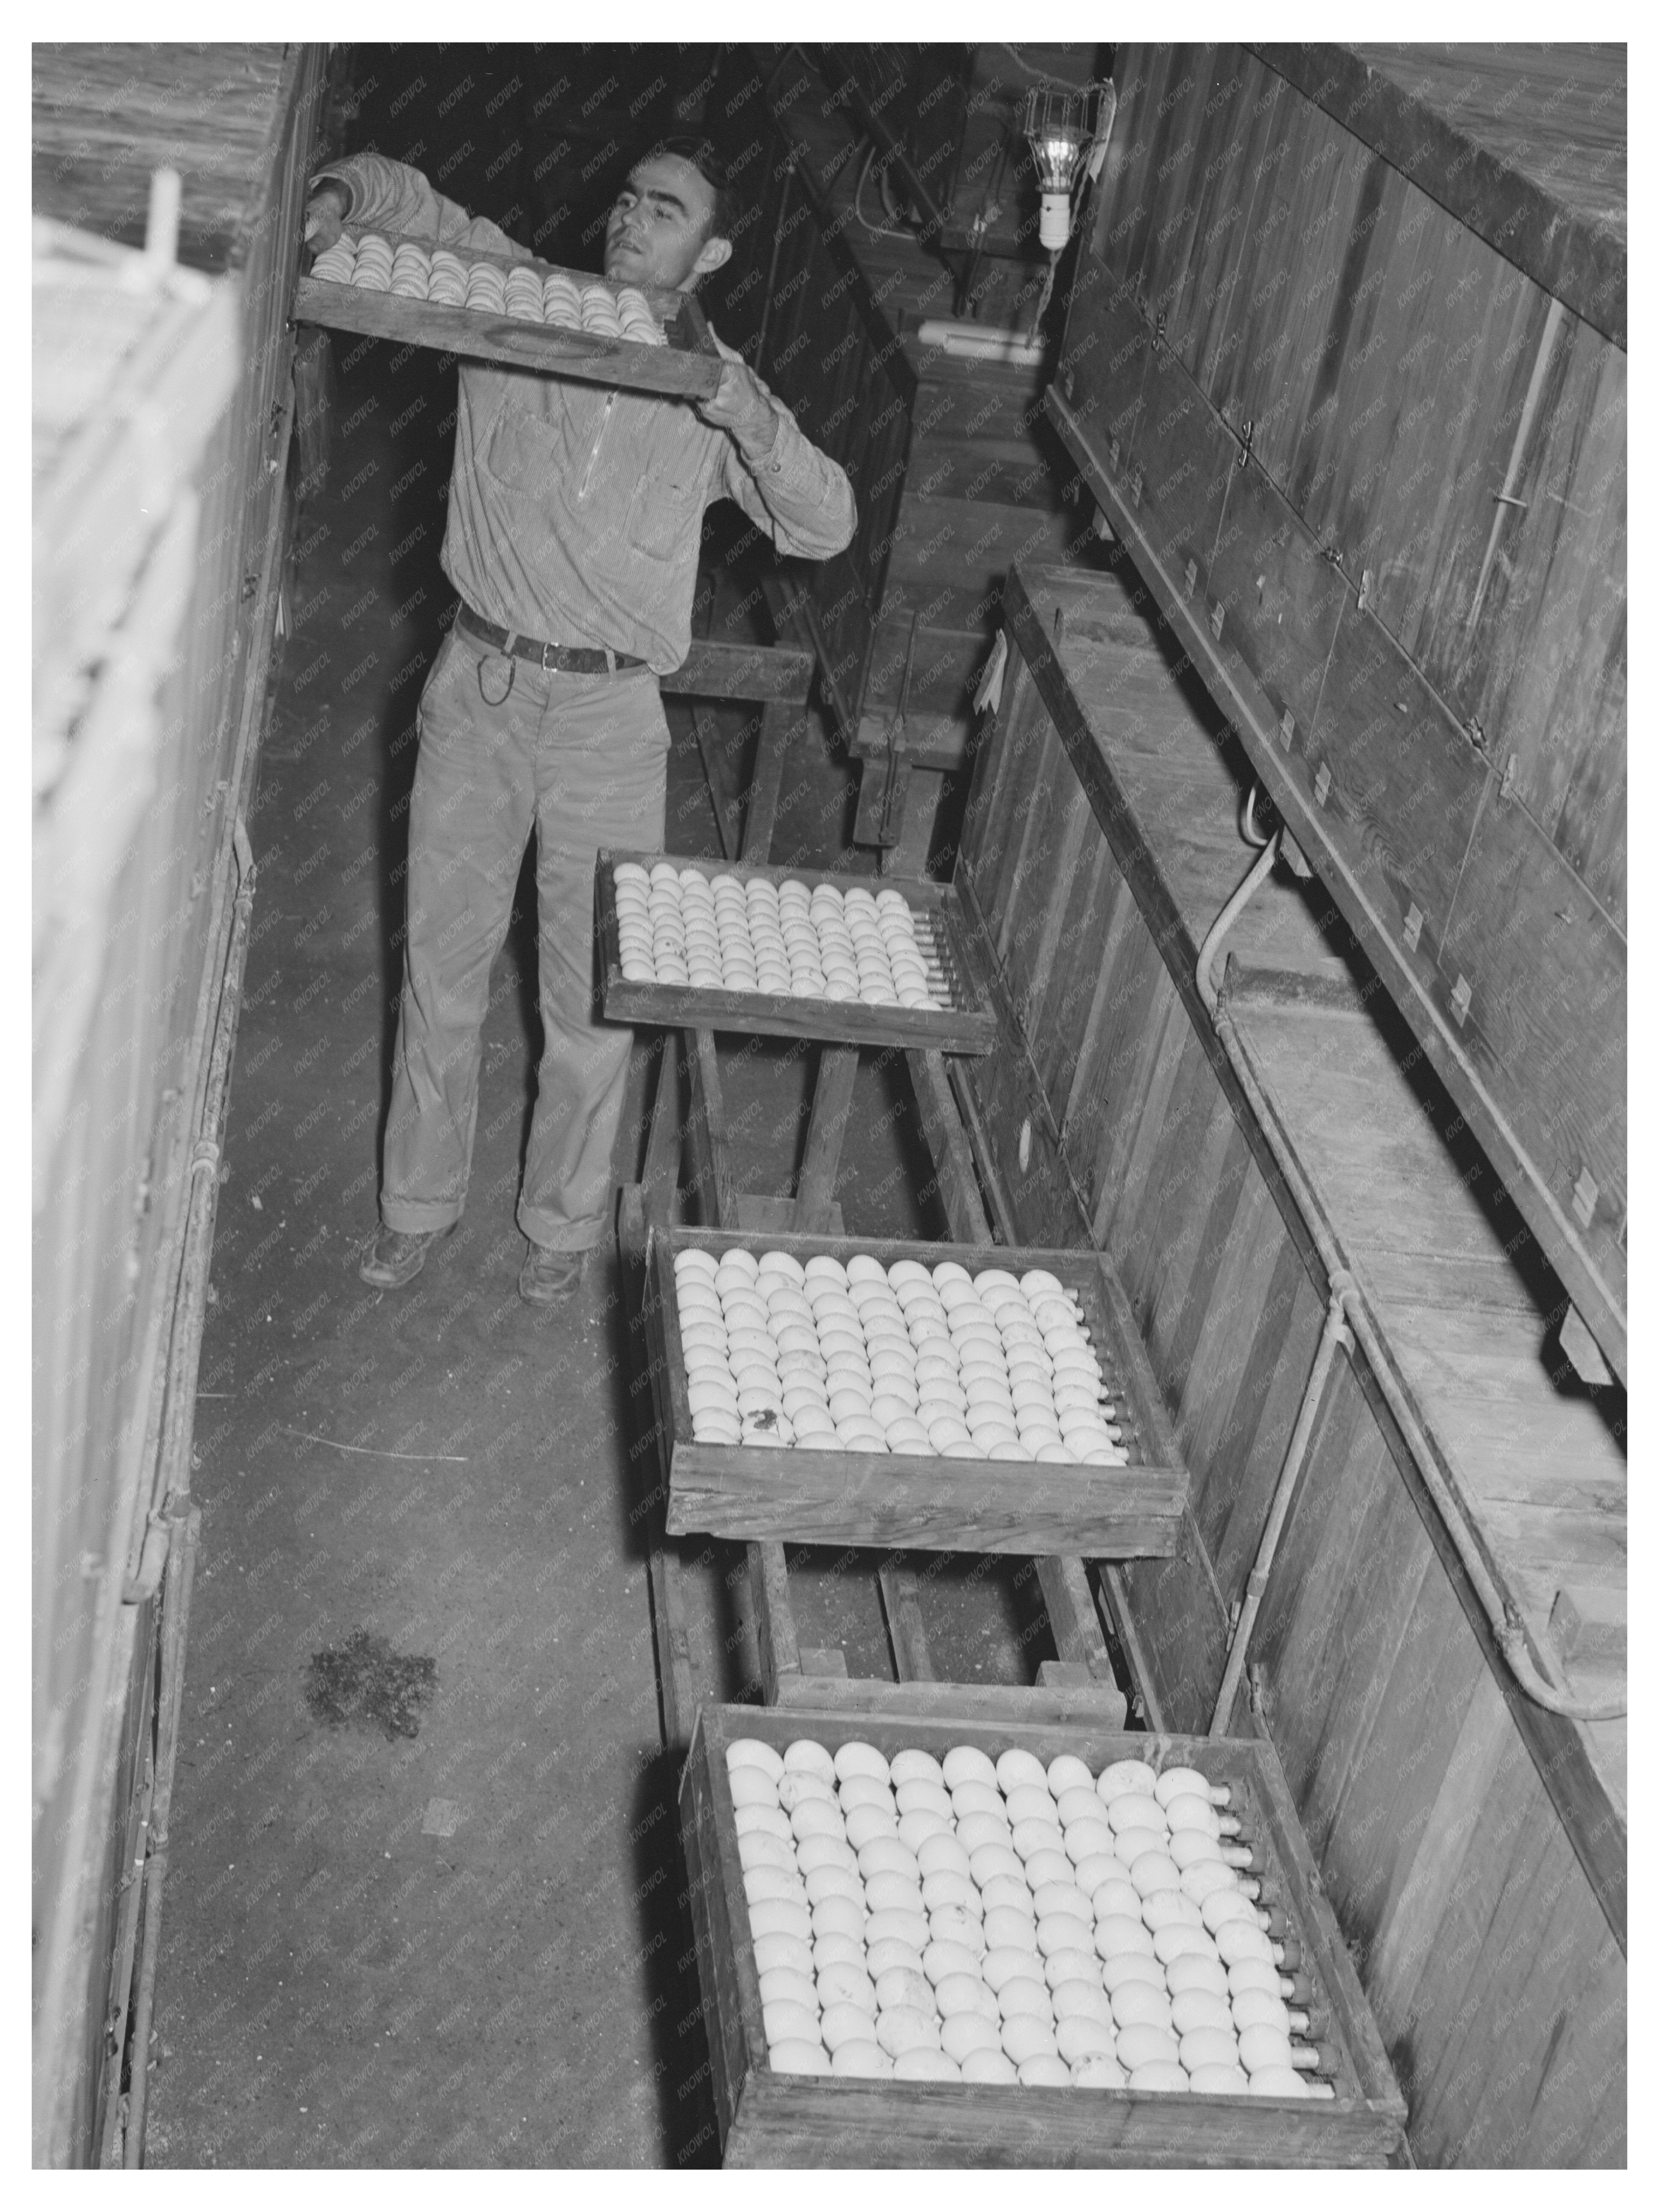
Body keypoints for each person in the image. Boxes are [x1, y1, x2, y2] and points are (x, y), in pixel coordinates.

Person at [305, 139, 856, 1302]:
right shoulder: (514, 308)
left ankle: (560, 1230)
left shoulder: (711, 390)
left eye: (666, 212)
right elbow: (407, 193)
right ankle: (417, 1204)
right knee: (440, 965)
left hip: (611, 720)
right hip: (481, 690)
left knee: (593, 994)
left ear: (708, 254)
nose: (630, 219)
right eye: (625, 199)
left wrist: (742, 410)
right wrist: (337, 197)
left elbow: (824, 525)